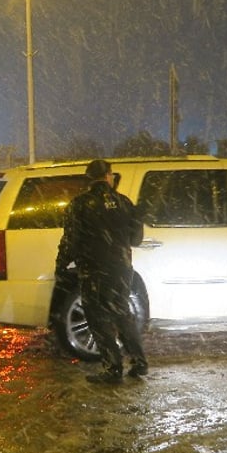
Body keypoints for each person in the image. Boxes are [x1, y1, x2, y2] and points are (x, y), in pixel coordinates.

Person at [54, 158, 148, 384]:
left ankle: (113, 368)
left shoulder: (79, 205)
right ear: (108, 176)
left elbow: (70, 241)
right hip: (121, 269)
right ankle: (139, 361)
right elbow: (136, 240)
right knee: (122, 313)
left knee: (98, 318)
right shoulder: (124, 202)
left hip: (94, 269)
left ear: (89, 179)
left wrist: (61, 264)